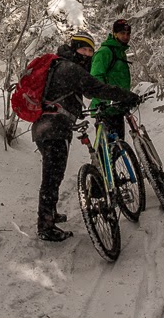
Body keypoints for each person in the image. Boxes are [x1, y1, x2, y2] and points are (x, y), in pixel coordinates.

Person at [32, 31, 141, 242]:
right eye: (84, 49)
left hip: (46, 126)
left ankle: (50, 214)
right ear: (75, 49)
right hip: (53, 128)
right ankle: (45, 226)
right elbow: (96, 89)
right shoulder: (70, 68)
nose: (88, 54)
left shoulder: (59, 66)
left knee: (54, 174)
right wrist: (126, 95)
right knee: (52, 178)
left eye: (91, 50)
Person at [90, 19, 133, 139]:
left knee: (118, 148)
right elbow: (96, 77)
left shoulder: (120, 52)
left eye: (128, 34)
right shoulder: (105, 52)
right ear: (114, 33)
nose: (125, 36)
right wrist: (105, 98)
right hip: (105, 108)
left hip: (117, 107)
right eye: (122, 33)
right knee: (108, 152)